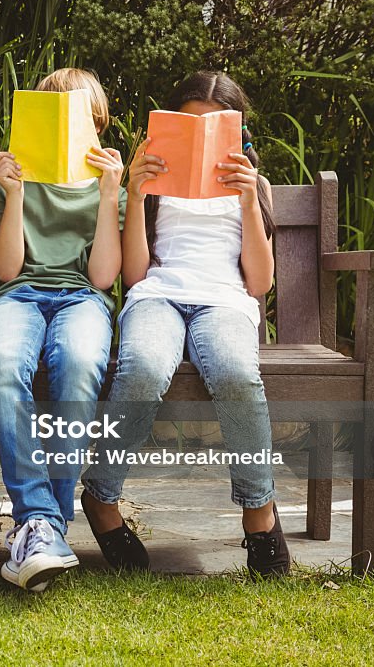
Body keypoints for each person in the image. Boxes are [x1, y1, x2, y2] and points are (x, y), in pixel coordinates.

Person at [81, 70, 290, 578]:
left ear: (237, 134)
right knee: (145, 368)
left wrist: (246, 201)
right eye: (189, 125)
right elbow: (133, 275)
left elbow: (259, 283)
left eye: (214, 128)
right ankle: (101, 499)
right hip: (159, 295)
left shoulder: (252, 185)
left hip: (225, 301)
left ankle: (259, 514)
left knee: (237, 374)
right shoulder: (154, 184)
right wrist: (133, 193)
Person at [0, 68, 126, 591]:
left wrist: (109, 196)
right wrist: (13, 194)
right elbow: (6, 271)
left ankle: (44, 524)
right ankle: (42, 520)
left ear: (98, 123)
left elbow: (104, 277)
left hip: (82, 297)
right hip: (20, 294)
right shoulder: (15, 177)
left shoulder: (107, 182)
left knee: (82, 361)